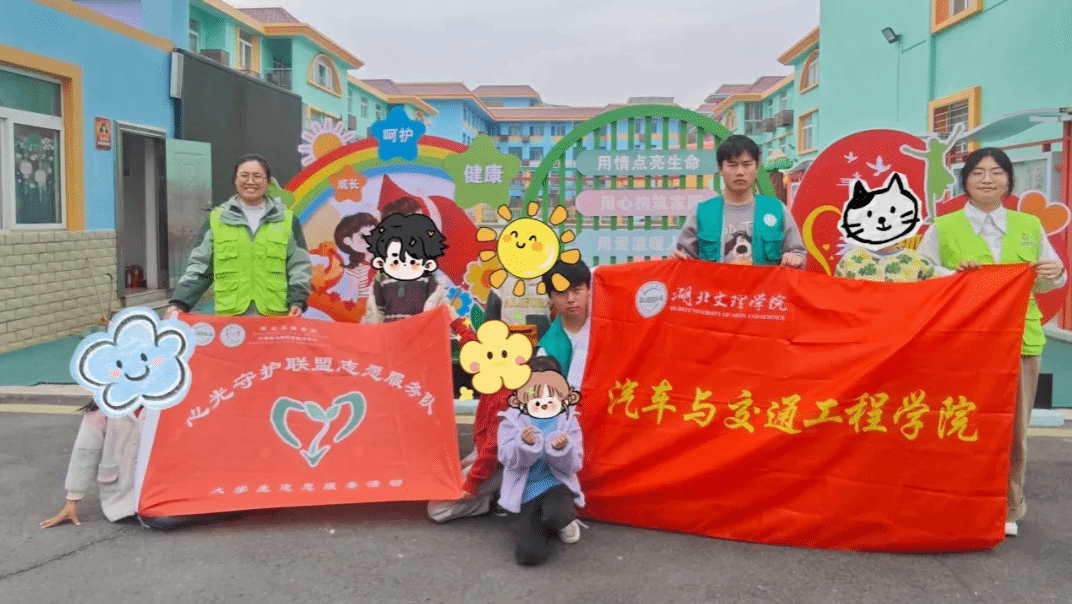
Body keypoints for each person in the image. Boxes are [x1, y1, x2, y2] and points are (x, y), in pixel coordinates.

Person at [917, 147, 1067, 538]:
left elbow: (1050, 280)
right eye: (978, 172)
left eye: (997, 172)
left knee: (1012, 430)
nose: (987, 179)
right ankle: (952, 500)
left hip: (1019, 340)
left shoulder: (1029, 226)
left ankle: (1007, 506)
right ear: (964, 180)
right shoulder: (943, 227)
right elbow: (921, 275)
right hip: (961, 342)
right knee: (956, 422)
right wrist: (954, 274)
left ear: (1008, 180)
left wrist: (1054, 272)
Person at [427, 349, 563, 523]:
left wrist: (472, 484)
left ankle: (494, 497)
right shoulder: (499, 385)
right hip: (492, 457)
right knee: (438, 486)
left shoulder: (511, 400)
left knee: (437, 509)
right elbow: (489, 446)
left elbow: (492, 451)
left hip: (505, 464)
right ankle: (498, 492)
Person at [167, 155, 311, 318]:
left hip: (276, 316)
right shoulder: (217, 219)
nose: (250, 181)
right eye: (244, 175)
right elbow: (200, 267)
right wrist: (179, 303)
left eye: (257, 176)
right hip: (230, 319)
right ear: (235, 180)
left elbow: (299, 265)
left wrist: (297, 300)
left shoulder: (287, 220)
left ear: (267, 182)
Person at [672, 135, 806, 268]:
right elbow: (683, 258)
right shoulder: (702, 213)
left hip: (765, 283)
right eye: (732, 165)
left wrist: (795, 258)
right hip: (715, 283)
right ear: (720, 169)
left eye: (747, 165)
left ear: (756, 167)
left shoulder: (777, 210)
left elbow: (798, 255)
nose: (740, 172)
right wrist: (677, 259)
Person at [497, 364, 584, 566]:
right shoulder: (511, 420)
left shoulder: (569, 419)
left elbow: (575, 465)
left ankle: (561, 521)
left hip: (555, 485)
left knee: (556, 514)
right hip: (524, 490)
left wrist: (562, 449)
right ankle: (533, 524)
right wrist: (524, 446)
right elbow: (506, 459)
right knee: (529, 557)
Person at [40, 403, 142, 528]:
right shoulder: (102, 410)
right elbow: (85, 453)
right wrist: (72, 500)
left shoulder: (161, 405)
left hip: (156, 491)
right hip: (119, 499)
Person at [361, 212, 449, 323]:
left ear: (429, 265)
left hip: (420, 330)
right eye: (395, 262)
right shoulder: (382, 280)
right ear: (380, 262)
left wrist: (460, 328)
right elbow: (375, 312)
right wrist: (369, 330)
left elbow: (444, 308)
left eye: (413, 262)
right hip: (390, 331)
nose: (404, 267)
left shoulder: (430, 282)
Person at [535, 259, 592, 390]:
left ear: (589, 289)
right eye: (561, 293)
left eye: (576, 290)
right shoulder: (545, 350)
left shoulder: (607, 331)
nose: (570, 299)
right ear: (550, 297)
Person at [329, 212, 378, 303]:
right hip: (366, 303)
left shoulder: (382, 257)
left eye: (373, 233)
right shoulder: (357, 267)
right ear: (348, 241)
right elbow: (353, 285)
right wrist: (347, 298)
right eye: (362, 236)